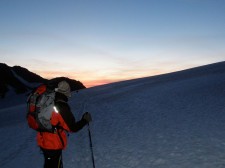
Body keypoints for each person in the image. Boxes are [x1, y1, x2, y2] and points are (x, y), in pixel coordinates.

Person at [37, 80, 92, 168]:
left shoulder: (49, 101)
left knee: (49, 164)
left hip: (43, 139)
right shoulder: (61, 106)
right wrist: (85, 120)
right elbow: (72, 128)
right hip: (53, 144)